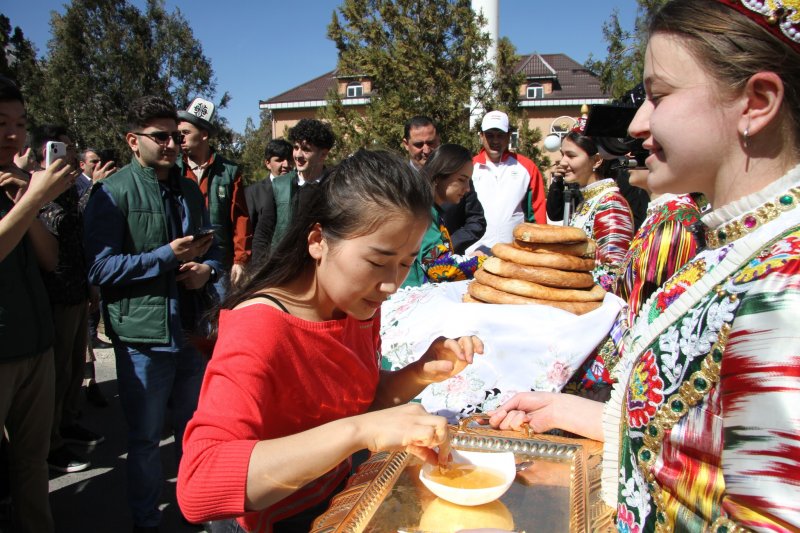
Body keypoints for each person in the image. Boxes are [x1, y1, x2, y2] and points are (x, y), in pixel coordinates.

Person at [489, 0, 800, 530]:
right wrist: (582, 414)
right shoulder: (739, 247)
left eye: (659, 96)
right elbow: (699, 449)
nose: (637, 124)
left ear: (757, 101)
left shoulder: (783, 286)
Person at [177, 150, 482, 532]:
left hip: (333, 503)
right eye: (377, 261)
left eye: (405, 262)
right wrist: (360, 432)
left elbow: (356, 401)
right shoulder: (261, 327)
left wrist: (419, 373)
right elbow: (198, 485)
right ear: (319, 240)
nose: (391, 284)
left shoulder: (358, 304)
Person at [84, 95, 223, 532]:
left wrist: (207, 269)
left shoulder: (186, 187)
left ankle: (191, 508)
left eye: (175, 137)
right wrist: (164, 256)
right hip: (144, 339)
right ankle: (146, 520)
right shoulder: (113, 192)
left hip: (189, 328)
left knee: (193, 432)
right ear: (133, 141)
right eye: (159, 136)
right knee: (145, 441)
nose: (170, 144)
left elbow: (213, 248)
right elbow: (100, 267)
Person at [0, 75, 75, 533]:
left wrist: (26, 201)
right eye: (1, 123)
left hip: (36, 344)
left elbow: (50, 259)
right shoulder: (26, 193)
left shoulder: (17, 187)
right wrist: (31, 199)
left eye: (20, 123)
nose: (13, 134)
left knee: (32, 463)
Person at [31, 125, 105, 474]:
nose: (71, 155)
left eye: (73, 148)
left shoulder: (72, 187)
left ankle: (68, 421)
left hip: (77, 286)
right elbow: (58, 227)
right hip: (56, 292)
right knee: (57, 372)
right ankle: (51, 444)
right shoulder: (37, 188)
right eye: (63, 149)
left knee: (75, 366)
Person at [178, 97, 252, 292]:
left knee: (218, 316)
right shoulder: (173, 169)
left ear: (203, 135)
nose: (180, 139)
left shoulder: (228, 171)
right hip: (183, 260)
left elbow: (240, 218)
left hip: (219, 262)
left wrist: (240, 260)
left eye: (185, 133)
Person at [556, 130, 634, 290]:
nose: (563, 162)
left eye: (571, 156)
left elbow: (613, 273)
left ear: (597, 160)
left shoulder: (610, 203)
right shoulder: (588, 200)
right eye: (562, 154)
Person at [251, 118, 334, 262]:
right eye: (296, 148)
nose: (298, 155)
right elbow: (263, 234)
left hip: (321, 271)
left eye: (306, 149)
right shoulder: (279, 186)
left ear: (323, 154)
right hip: (283, 271)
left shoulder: (334, 187)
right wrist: (260, 273)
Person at [402, 116, 486, 254]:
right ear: (406, 144)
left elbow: (476, 221)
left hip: (449, 265)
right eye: (419, 144)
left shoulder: (459, 175)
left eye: (431, 143)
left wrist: (447, 245)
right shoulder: (397, 182)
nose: (426, 150)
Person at [466, 110, 546, 255]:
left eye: (500, 135)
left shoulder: (527, 167)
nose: (495, 141)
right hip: (474, 252)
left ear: (509, 136)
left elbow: (537, 213)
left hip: (515, 252)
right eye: (490, 135)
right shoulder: (469, 167)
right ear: (481, 136)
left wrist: (540, 249)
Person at [403, 144, 484, 287]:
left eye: (469, 181)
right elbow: (438, 268)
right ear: (438, 177)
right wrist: (483, 262)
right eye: (461, 180)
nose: (467, 189)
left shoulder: (429, 210)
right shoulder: (423, 213)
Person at [244, 138, 293, 235]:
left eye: (289, 159)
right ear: (268, 163)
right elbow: (248, 230)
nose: (286, 164)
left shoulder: (301, 189)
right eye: (279, 160)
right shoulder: (253, 193)